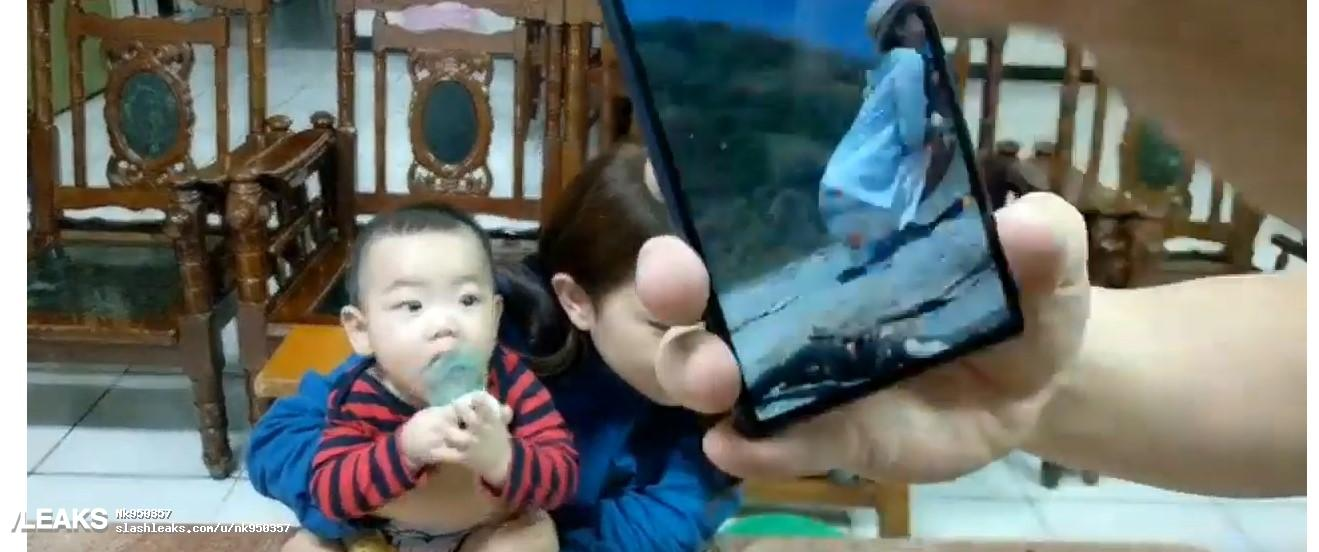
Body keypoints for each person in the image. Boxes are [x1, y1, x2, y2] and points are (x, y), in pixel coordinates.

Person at [633, 0, 1305, 499]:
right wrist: (1046, 371)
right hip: (867, 190)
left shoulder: (885, 69)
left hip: (852, 184)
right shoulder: (901, 69)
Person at [248, 143, 742, 552]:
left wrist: (502, 477)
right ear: (576, 300)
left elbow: (664, 525)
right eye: (664, 326)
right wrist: (397, 477)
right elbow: (280, 440)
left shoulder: (714, 406)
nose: (708, 359)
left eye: (722, 327)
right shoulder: (473, 340)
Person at [304, 204, 579, 551]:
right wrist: (404, 450)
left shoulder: (510, 380)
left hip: (485, 532)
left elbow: (563, 478)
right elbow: (329, 494)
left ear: (495, 317)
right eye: (412, 306)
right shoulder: (360, 397)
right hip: (384, 538)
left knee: (534, 535)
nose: (446, 325)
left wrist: (502, 458)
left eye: (467, 300)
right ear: (361, 330)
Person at [820, 0, 934, 283]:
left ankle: (872, 241)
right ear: (900, 28)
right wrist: (936, 124)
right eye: (918, 17)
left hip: (836, 191)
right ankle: (907, 220)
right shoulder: (910, 61)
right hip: (863, 198)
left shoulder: (883, 68)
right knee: (941, 140)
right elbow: (913, 136)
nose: (927, 23)